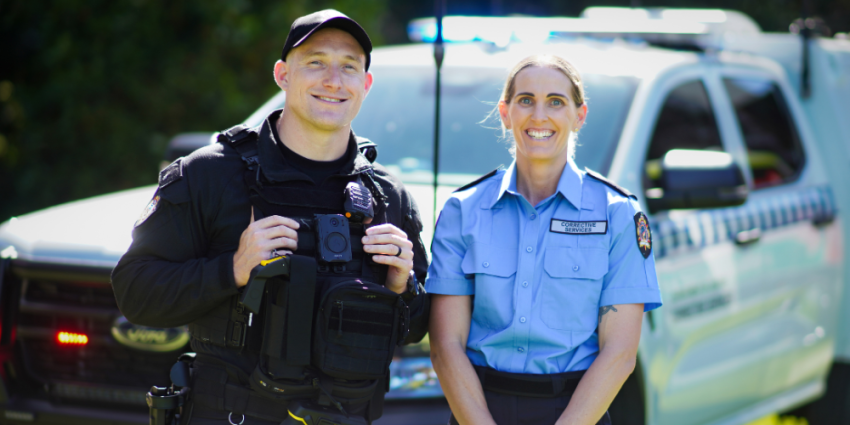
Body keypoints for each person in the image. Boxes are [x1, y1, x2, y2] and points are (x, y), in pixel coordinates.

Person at [112, 10, 429, 425]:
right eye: (315, 62)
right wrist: (232, 269)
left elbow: (417, 328)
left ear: (365, 85)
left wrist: (401, 287)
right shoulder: (211, 174)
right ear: (282, 75)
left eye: (349, 67)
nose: (333, 80)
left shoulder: (387, 196)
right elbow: (135, 293)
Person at [426, 54, 662, 425]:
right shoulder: (463, 211)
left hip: (576, 412)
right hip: (478, 410)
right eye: (525, 100)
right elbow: (445, 345)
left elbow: (619, 352)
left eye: (556, 101)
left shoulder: (617, 214)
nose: (539, 116)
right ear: (505, 113)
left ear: (579, 115)